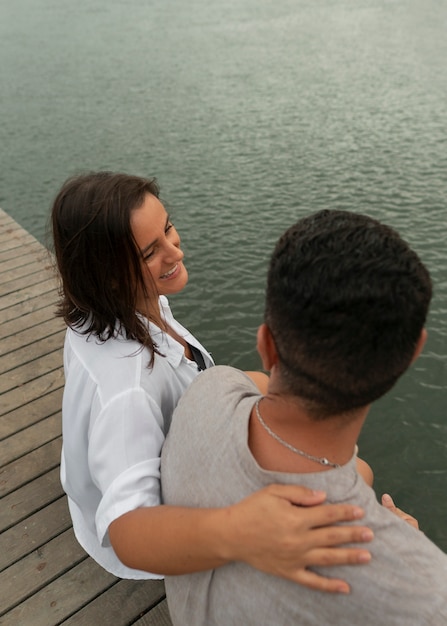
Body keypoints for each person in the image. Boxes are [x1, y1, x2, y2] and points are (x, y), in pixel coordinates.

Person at [50, 172, 375, 591]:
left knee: (282, 398)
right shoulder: (127, 391)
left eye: (167, 227)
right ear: (108, 275)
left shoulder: (118, 308)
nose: (175, 250)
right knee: (358, 473)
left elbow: (203, 377)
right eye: (151, 252)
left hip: (165, 447)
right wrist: (242, 532)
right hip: (156, 537)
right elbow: (128, 533)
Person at [161, 209, 447, 625]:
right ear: (411, 354)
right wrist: (405, 544)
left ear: (265, 343)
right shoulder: (427, 594)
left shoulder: (207, 389)